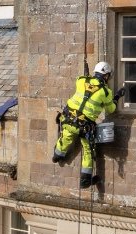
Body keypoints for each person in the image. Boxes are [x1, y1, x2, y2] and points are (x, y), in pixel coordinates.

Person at [53, 61, 123, 189]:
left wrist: (88, 76)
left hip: (67, 119)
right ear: (106, 76)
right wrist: (117, 96)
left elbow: (83, 84)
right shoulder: (105, 92)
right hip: (84, 127)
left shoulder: (81, 80)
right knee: (88, 151)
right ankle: (85, 180)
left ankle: (57, 155)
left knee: (66, 137)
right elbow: (111, 109)